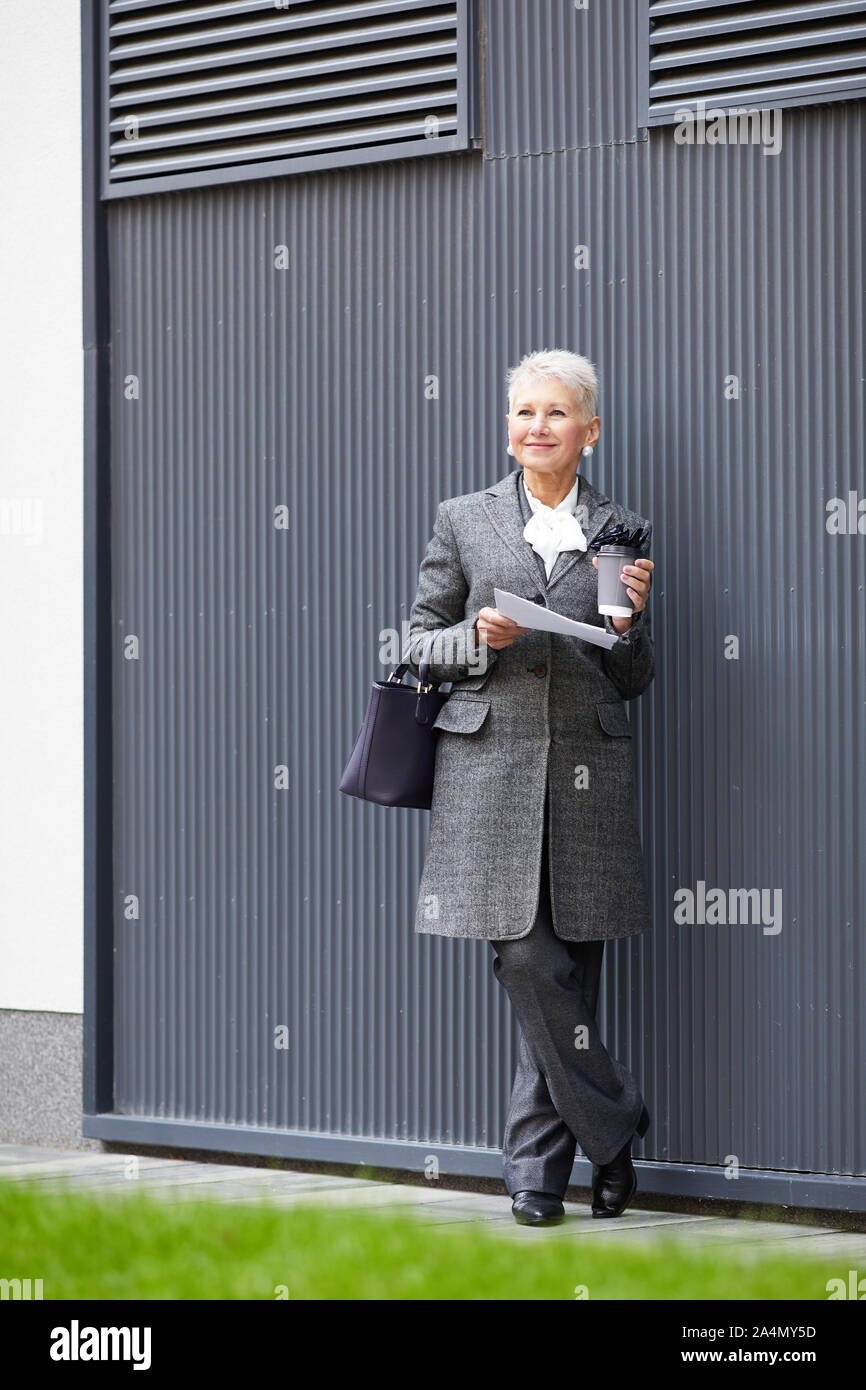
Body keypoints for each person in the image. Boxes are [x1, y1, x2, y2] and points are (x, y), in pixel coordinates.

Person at [402, 348, 656, 1224]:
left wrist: (629, 625)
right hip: (489, 776)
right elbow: (409, 643)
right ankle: (616, 1131)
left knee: (567, 974)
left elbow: (635, 677)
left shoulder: (623, 529)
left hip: (589, 782)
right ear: (508, 427)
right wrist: (477, 637)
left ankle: (537, 1180)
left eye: (555, 414)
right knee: (527, 960)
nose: (536, 428)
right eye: (523, 413)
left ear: (589, 429)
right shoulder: (464, 520)